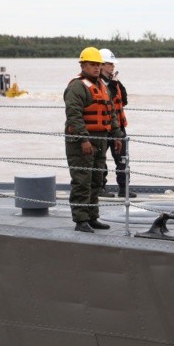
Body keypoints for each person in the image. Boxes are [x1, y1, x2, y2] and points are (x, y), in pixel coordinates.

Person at [64, 47, 123, 233]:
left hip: (101, 139)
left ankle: (92, 216)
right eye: (92, 65)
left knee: (97, 179)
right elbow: (74, 115)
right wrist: (83, 139)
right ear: (83, 65)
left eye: (98, 64)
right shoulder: (77, 87)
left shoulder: (102, 86)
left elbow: (111, 113)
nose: (96, 68)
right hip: (83, 142)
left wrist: (116, 135)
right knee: (82, 180)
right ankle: (80, 220)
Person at [97, 48, 136, 198]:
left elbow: (123, 100)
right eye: (109, 64)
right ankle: (101, 188)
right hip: (103, 127)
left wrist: (116, 83)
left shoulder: (115, 82)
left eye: (113, 64)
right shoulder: (97, 83)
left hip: (118, 127)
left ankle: (123, 189)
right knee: (100, 159)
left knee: (122, 159)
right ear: (100, 65)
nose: (112, 66)